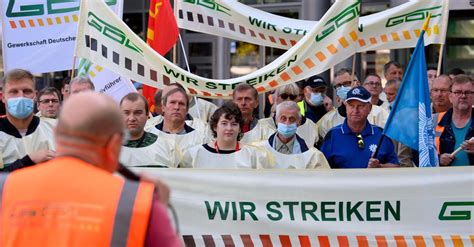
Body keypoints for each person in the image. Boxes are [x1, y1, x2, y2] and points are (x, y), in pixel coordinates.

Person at [0, 92, 181, 246]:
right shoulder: (138, 201)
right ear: (114, 144)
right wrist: (160, 209)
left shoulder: (5, 188)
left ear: (56, 134)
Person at [321, 87, 399, 168]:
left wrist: (380, 167)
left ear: (370, 108)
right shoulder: (333, 135)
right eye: (351, 106)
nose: (355, 110)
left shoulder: (381, 135)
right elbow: (322, 169)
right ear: (346, 107)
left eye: (360, 106)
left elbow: (395, 166)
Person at [180, 102, 270, 168]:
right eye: (224, 123)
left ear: (239, 129)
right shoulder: (194, 154)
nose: (229, 128)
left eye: (234, 124)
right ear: (215, 126)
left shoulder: (254, 155)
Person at [0, 69, 56, 171]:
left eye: (27, 91)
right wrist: (29, 160)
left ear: (35, 96)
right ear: (3, 97)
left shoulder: (56, 128)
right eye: (14, 92)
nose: (21, 97)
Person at [316, 69, 388, 140]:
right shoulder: (327, 121)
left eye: (346, 83)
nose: (342, 88)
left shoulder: (379, 113)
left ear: (358, 84)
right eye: (338, 85)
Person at [257, 101, 329, 169]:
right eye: (283, 118)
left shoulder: (313, 156)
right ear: (276, 120)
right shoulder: (258, 150)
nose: (287, 123)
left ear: (299, 122)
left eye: (292, 119)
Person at [119, 93, 178, 168]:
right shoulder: (106, 150)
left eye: (138, 113)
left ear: (147, 115)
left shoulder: (167, 147)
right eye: (126, 113)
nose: (132, 118)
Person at [148, 86, 208, 152]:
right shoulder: (148, 134)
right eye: (172, 102)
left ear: (187, 109)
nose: (176, 107)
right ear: (163, 107)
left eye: (181, 104)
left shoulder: (200, 139)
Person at [435, 75, 474, 166]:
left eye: (467, 92)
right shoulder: (434, 121)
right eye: (458, 92)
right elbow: (419, 154)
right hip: (444, 179)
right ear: (450, 96)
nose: (463, 96)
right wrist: (437, 159)